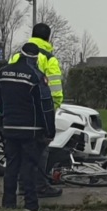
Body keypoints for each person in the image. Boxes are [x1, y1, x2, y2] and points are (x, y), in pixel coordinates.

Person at [0, 43, 56, 211]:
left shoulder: (3, 72)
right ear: (35, 58)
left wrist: (6, 113)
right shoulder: (36, 76)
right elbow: (45, 105)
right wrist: (49, 130)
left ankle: (8, 203)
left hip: (10, 126)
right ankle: (31, 205)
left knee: (11, 165)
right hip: (31, 129)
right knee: (29, 167)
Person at [10, 23, 63, 198]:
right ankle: (39, 185)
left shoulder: (16, 56)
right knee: (40, 150)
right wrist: (50, 112)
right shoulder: (49, 58)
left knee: (18, 153)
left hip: (18, 112)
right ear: (48, 38)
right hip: (39, 112)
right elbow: (55, 93)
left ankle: (22, 186)